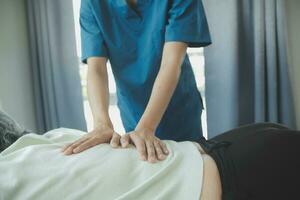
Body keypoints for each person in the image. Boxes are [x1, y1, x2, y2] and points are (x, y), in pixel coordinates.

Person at [1, 109, 300, 199]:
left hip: (237, 164)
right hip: (234, 160)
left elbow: (171, 60)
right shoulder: (42, 144)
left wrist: (134, 126)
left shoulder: (30, 154)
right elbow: (95, 64)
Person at [67, 0, 212, 163]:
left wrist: (147, 127)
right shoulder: (92, 3)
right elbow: (96, 68)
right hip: (133, 111)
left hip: (178, 112)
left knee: (192, 170)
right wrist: (101, 123)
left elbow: (171, 64)